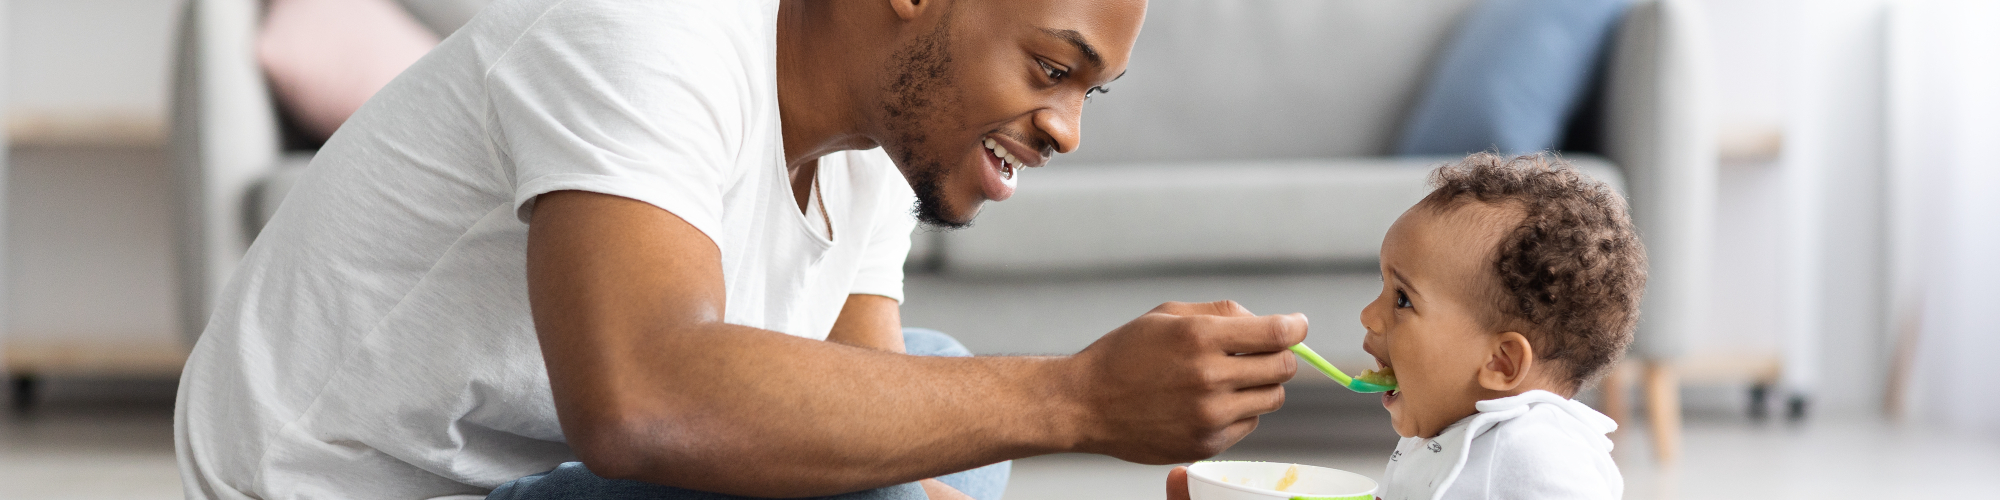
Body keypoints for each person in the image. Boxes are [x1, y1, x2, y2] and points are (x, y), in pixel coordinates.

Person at [175, 0, 1311, 499]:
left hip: (543, 469)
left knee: (929, 380)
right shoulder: (645, 35)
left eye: (1091, 92)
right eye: (1051, 69)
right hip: (358, 487)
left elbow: (890, 449)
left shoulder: (873, 148)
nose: (1065, 128)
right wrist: (1075, 399)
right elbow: (640, 401)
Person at [1364, 153, 1643, 499]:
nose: (1369, 315)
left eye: (1403, 299)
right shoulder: (1449, 428)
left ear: (1501, 362)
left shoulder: (1534, 450)